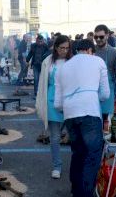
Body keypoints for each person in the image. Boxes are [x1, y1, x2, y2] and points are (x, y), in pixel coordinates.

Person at [54, 39, 110, 197]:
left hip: (70, 114)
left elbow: (58, 104)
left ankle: (76, 189)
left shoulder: (63, 67)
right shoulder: (98, 61)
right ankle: (85, 193)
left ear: (77, 50)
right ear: (91, 50)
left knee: (78, 152)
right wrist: (90, 95)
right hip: (90, 112)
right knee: (92, 155)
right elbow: (105, 94)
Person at [36, 35, 71, 179]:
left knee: (74, 137)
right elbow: (42, 83)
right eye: (61, 48)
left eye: (67, 48)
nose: (64, 50)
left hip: (70, 103)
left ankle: (77, 166)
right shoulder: (48, 61)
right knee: (55, 137)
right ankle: (57, 166)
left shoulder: (73, 61)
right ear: (56, 47)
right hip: (51, 102)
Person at [94, 24, 116, 131]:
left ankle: (105, 147)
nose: (98, 39)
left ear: (107, 36)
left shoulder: (115, 53)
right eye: (95, 37)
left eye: (101, 37)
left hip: (108, 93)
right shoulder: (91, 51)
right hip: (92, 92)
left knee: (106, 126)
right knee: (94, 123)